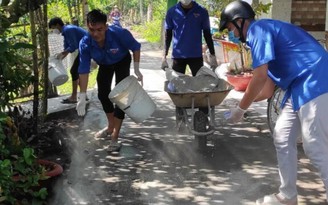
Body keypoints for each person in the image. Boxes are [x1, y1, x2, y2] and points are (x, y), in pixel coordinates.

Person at [219, 1, 328, 204]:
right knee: (282, 136)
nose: (231, 33)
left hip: (316, 80)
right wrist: (241, 107)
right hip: (296, 88)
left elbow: (258, 77)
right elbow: (267, 89)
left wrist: (241, 108)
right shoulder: (260, 40)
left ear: (240, 21)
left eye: (231, 27)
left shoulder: (258, 30)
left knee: (315, 147)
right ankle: (288, 196)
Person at [76, 9, 143, 153]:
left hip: (122, 61)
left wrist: (137, 69)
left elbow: (136, 47)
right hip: (105, 64)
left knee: (121, 97)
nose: (95, 34)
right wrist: (81, 96)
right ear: (87, 27)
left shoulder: (119, 33)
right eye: (91, 29)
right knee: (103, 94)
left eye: (99, 29)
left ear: (106, 26)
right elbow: (83, 70)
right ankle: (110, 126)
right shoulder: (85, 42)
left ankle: (115, 136)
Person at [162, 0, 218, 117]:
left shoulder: (202, 11)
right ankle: (181, 118)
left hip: (196, 56)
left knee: (202, 88)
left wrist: (212, 55)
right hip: (178, 56)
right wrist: (164, 56)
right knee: (178, 90)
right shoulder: (172, 12)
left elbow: (207, 33)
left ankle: (202, 117)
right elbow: (168, 35)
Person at [48, 17, 88, 104]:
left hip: (88, 48)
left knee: (74, 71)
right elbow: (67, 48)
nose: (54, 31)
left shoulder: (68, 30)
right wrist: (58, 60)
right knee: (76, 71)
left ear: (58, 25)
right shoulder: (65, 32)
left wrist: (62, 54)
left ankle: (74, 97)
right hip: (85, 49)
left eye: (53, 28)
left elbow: (73, 46)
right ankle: (83, 95)